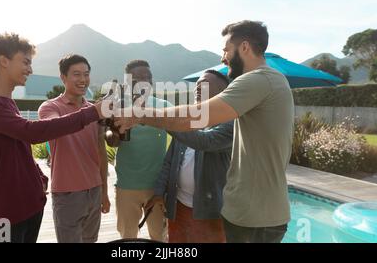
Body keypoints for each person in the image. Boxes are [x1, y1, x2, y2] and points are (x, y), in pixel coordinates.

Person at [112, 21, 295, 243]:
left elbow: (197, 117)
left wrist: (140, 114)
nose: (223, 57)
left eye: (226, 49)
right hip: (246, 213)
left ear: (244, 47)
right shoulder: (263, 83)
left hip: (257, 217)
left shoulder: (259, 79)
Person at [0, 33, 104, 243]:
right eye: (26, 62)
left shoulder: (7, 102)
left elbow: (18, 146)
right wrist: (94, 112)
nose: (30, 69)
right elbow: (31, 133)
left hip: (30, 206)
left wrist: (38, 176)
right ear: (4, 61)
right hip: (5, 212)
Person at [147, 69, 233, 243]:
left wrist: (157, 118)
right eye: (197, 84)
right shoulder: (189, 122)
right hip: (178, 206)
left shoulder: (229, 123)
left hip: (210, 212)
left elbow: (204, 141)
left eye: (205, 84)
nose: (198, 88)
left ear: (223, 93)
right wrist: (158, 192)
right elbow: (169, 161)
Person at [38, 54, 110, 243]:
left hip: (94, 190)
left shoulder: (94, 110)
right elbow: (53, 126)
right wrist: (93, 112)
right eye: (76, 74)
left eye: (86, 74)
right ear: (63, 77)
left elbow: (101, 151)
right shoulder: (49, 107)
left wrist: (104, 191)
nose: (83, 80)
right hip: (67, 194)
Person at [105, 60, 169, 242]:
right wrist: (115, 133)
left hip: (157, 187)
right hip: (127, 185)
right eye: (139, 78)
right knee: (127, 238)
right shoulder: (118, 106)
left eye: (148, 77)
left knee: (160, 237)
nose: (145, 81)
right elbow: (111, 140)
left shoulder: (164, 105)